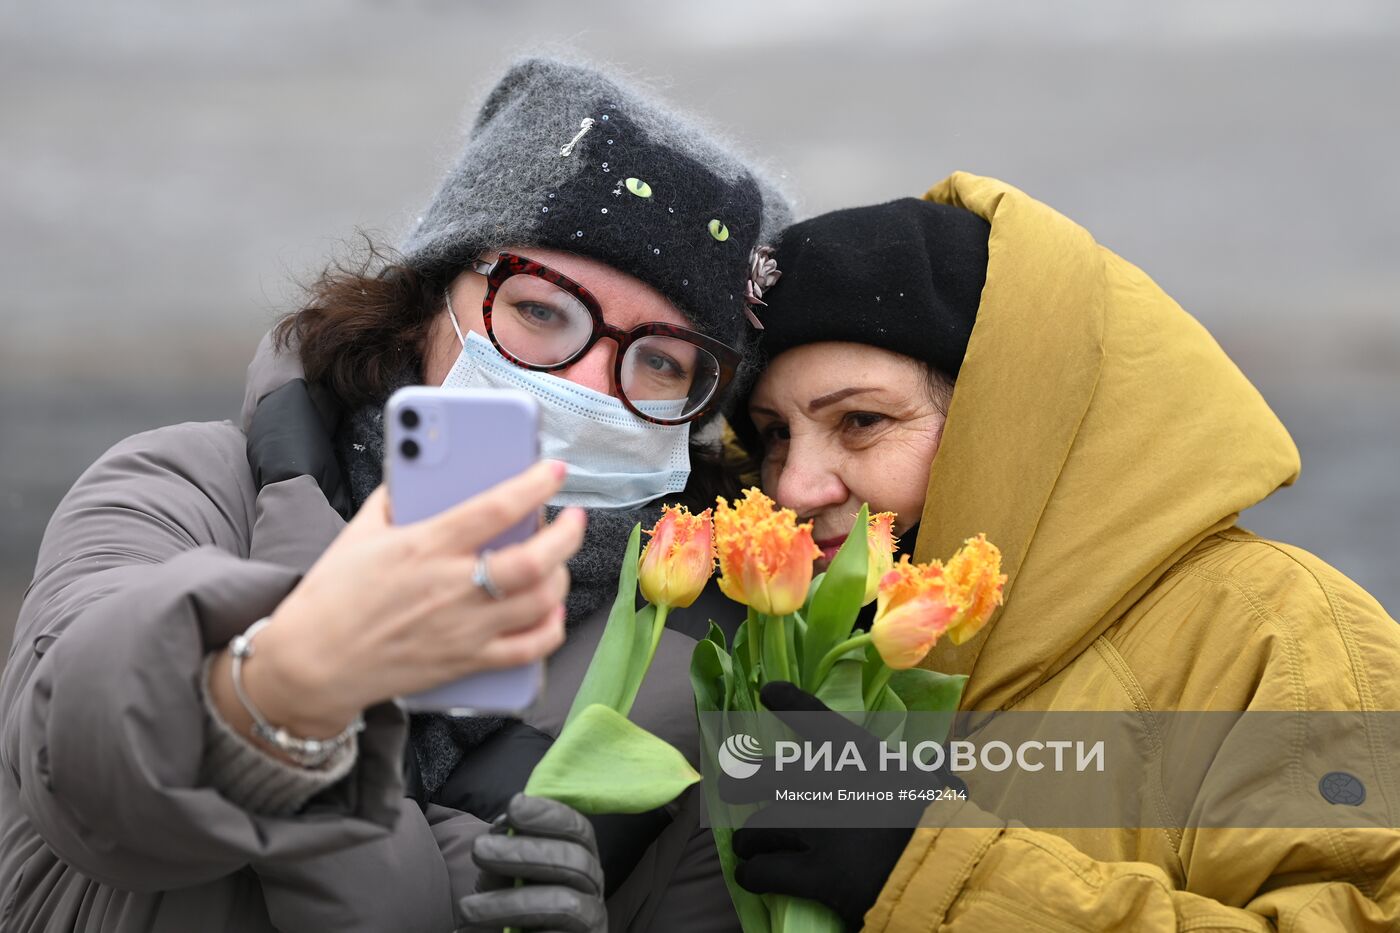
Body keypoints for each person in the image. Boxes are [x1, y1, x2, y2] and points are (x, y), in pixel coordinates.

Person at [0, 57, 788, 932]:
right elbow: (77, 764)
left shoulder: (705, 664)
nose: (591, 382)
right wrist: (287, 683)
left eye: (661, 361)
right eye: (540, 311)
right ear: (430, 298)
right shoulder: (188, 486)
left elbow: (929, 799)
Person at [729, 176, 1400, 930]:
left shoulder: (1275, 630)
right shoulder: (770, 647)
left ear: (1007, 421)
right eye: (774, 432)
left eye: (861, 419)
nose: (795, 485)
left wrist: (934, 875)